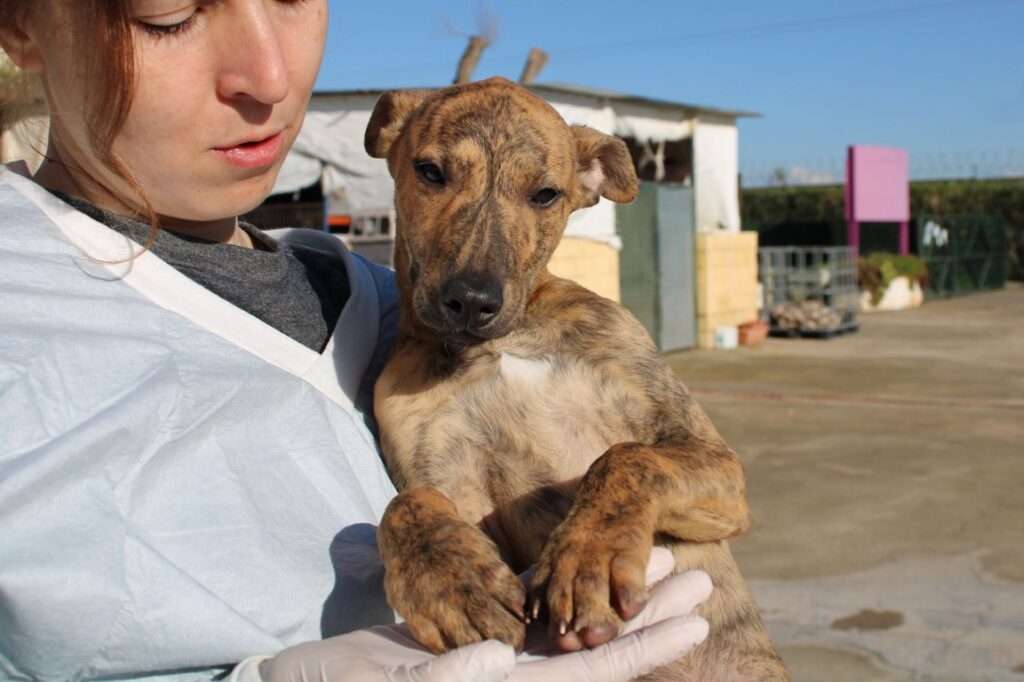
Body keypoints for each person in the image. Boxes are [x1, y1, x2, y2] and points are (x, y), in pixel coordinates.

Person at [0, 1, 713, 679]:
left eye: (293, 1)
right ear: (20, 23)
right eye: (169, 16)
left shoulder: (394, 310)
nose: (271, 78)